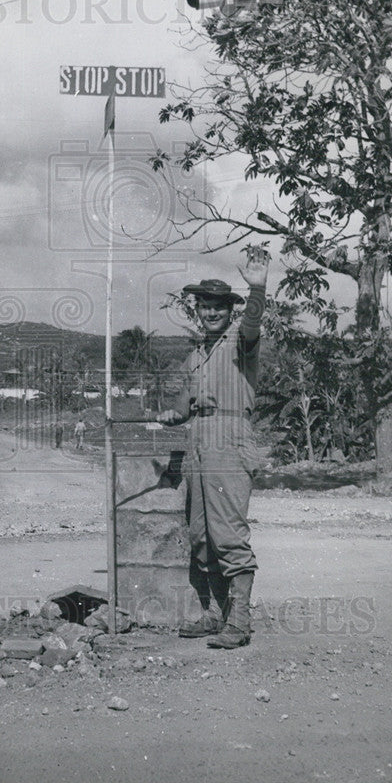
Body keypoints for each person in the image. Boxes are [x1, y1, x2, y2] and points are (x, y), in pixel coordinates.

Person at [157, 246, 270, 649]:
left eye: (218, 307)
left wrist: (257, 289)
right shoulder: (195, 356)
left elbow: (253, 323)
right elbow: (181, 403)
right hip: (198, 445)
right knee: (202, 536)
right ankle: (214, 614)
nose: (210, 313)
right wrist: (173, 414)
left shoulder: (241, 340)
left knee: (227, 536)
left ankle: (239, 624)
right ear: (197, 311)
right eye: (204, 307)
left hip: (229, 441)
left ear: (230, 310)